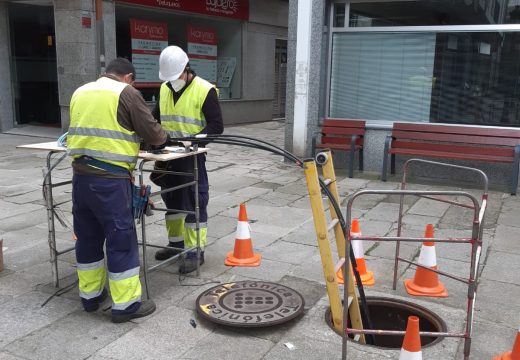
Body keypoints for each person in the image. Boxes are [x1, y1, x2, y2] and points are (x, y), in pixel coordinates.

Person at [67, 58, 168, 323]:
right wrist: (163, 138)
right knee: (120, 240)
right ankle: (125, 305)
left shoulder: (81, 91)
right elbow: (153, 134)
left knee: (87, 237)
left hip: (80, 178)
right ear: (128, 77)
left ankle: (90, 296)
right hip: (110, 181)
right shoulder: (126, 93)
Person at [152, 46, 224, 274]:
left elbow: (216, 126)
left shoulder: (205, 90)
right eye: (169, 78)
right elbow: (155, 118)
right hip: (168, 157)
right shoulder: (164, 88)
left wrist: (195, 141)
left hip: (192, 156)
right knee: (171, 200)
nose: (173, 82)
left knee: (195, 201)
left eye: (176, 77)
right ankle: (176, 245)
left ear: (186, 69)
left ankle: (195, 251)